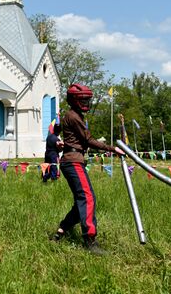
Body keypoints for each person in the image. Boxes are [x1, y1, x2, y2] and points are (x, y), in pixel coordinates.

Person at [51, 83, 125, 254]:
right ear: (75, 100)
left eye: (87, 99)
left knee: (81, 200)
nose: (87, 102)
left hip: (73, 161)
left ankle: (62, 230)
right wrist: (113, 149)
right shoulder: (74, 117)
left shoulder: (74, 115)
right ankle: (90, 240)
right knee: (88, 198)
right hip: (73, 162)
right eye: (83, 99)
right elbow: (88, 140)